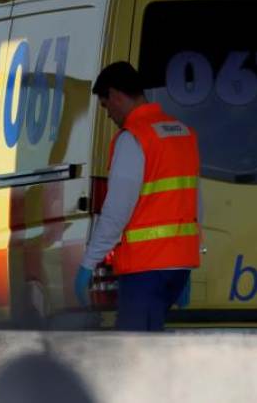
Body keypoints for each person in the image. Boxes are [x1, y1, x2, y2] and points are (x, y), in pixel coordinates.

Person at [74, 61, 203, 331]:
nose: (108, 115)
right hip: (177, 268)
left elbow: (116, 210)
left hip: (145, 269)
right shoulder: (183, 133)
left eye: (106, 106)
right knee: (152, 350)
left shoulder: (134, 138)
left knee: (135, 356)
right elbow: (195, 203)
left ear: (116, 95)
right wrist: (185, 261)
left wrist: (89, 263)